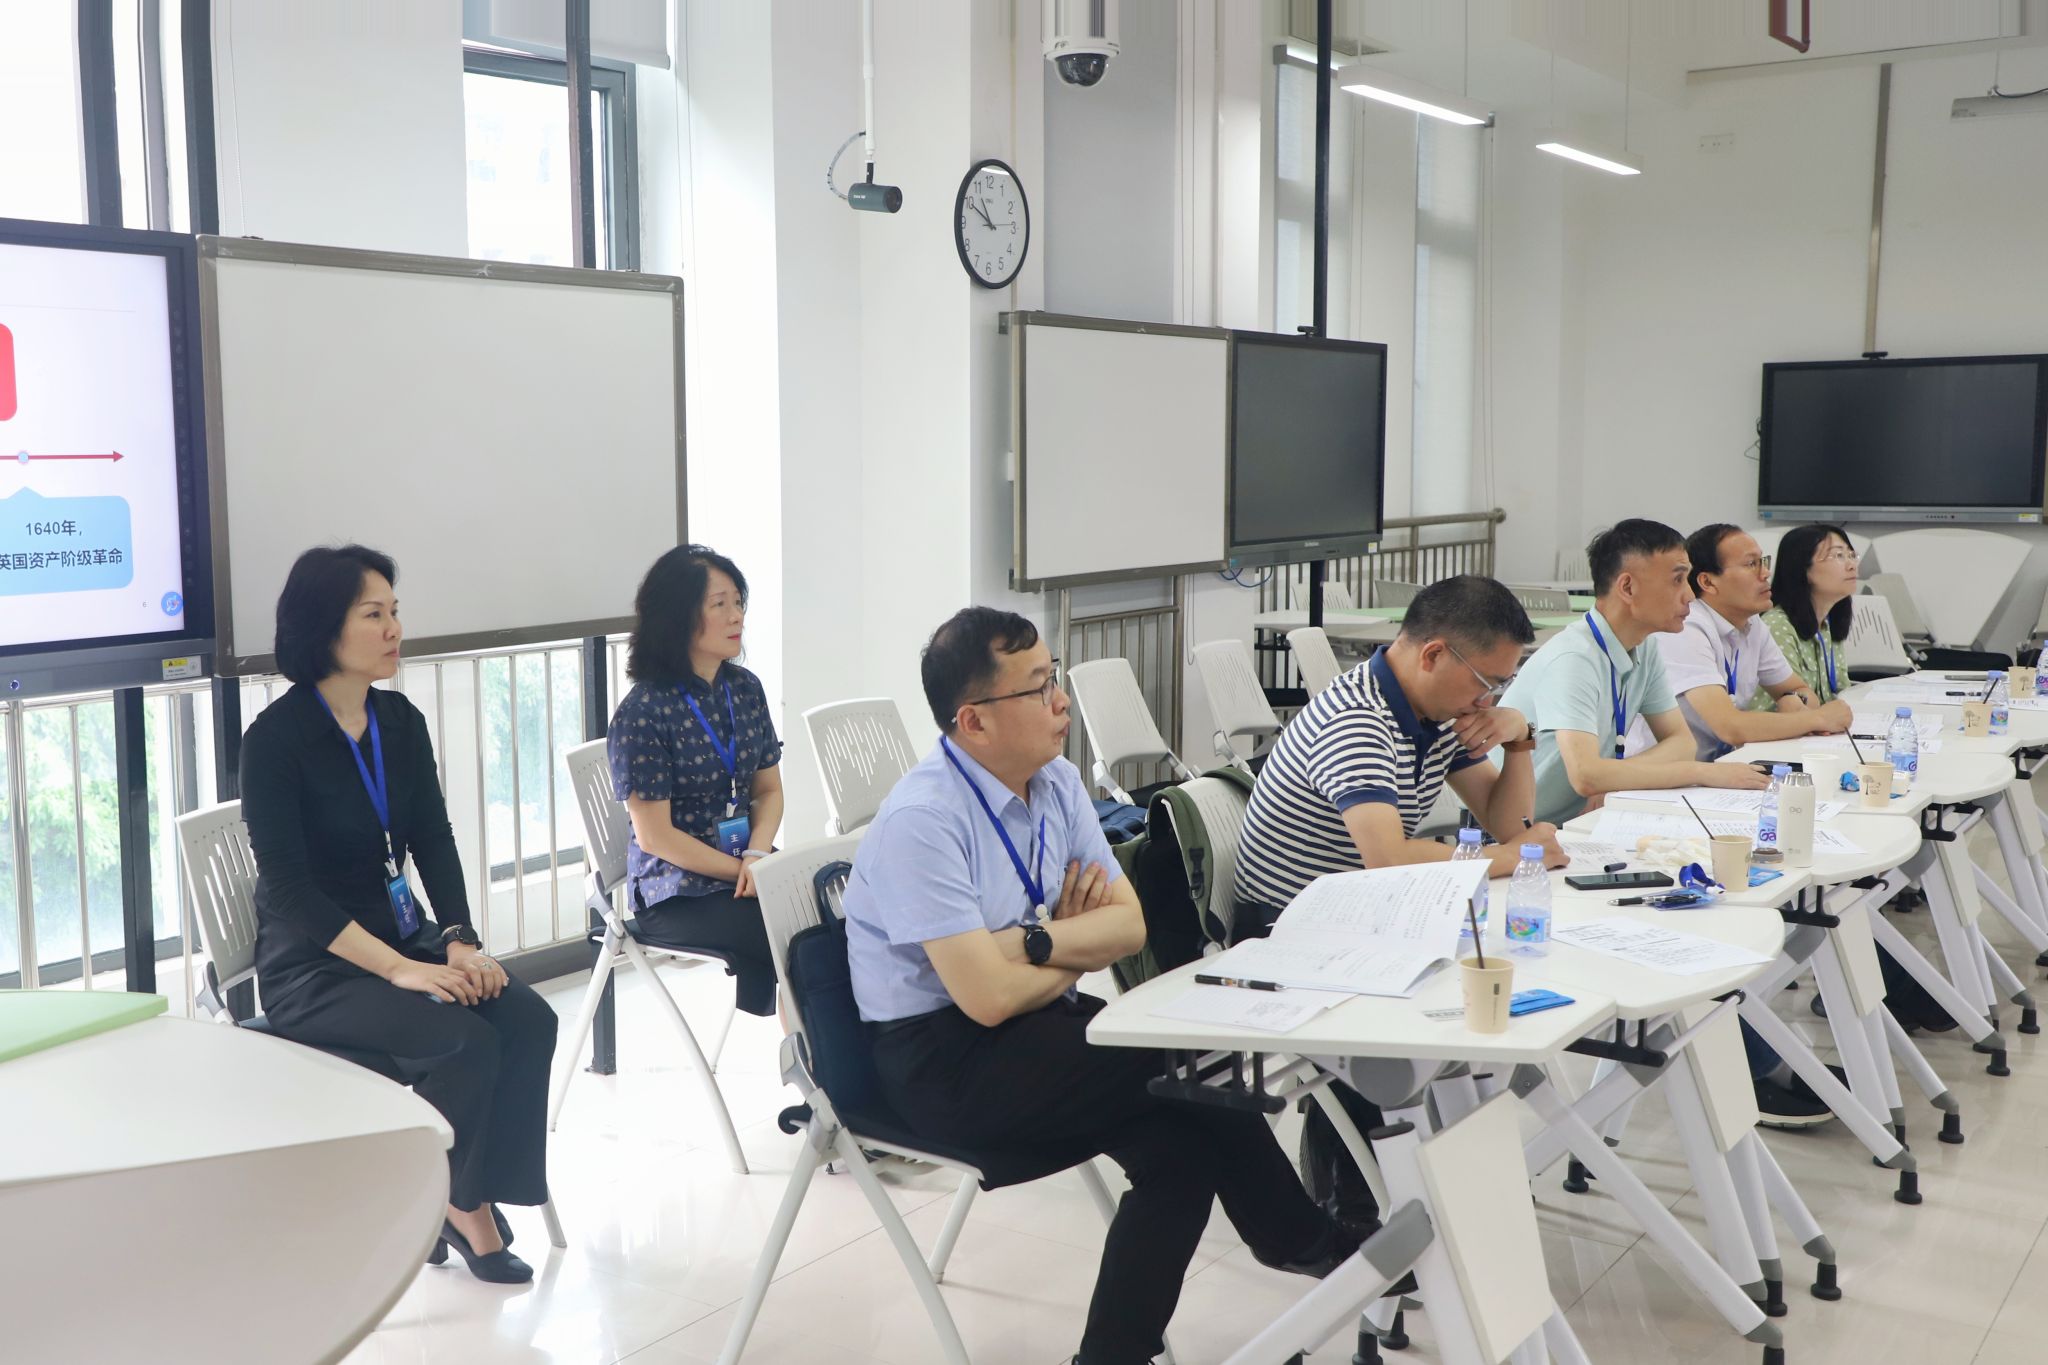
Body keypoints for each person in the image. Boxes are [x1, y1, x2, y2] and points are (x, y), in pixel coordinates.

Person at [843, 608, 1357, 1365]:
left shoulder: (1053, 781)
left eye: (1053, 678)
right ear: (974, 720)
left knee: (1180, 1151)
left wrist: (1034, 943)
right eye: (1038, 688)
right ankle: (1306, 1239)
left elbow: (1129, 927)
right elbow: (984, 998)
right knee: (1187, 1061)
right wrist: (1070, 948)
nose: (1062, 701)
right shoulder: (924, 820)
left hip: (1035, 1026)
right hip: (942, 1060)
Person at [241, 545, 557, 1284]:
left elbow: (433, 839)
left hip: (405, 945)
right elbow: (289, 890)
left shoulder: (398, 721)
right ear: (325, 629)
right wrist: (400, 970)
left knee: (526, 1018)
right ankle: (459, 1207)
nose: (394, 629)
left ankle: (459, 1190)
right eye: (373, 614)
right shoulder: (276, 740)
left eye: (394, 612)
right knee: (465, 1042)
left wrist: (459, 942)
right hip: (314, 969)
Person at [1234, 573, 1570, 1236]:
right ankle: (1354, 1212)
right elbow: (1388, 856)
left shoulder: (1431, 712)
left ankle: (1451, 1180)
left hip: (1372, 909)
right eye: (1487, 682)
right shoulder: (1357, 720)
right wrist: (1514, 858)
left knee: (1494, 983)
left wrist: (1520, 739)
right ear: (1434, 654)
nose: (1488, 699)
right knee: (1440, 1010)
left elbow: (1506, 822)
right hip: (1295, 925)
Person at [608, 545, 785, 1018]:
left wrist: (758, 855)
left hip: (746, 867)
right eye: (719, 604)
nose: (737, 616)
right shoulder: (644, 712)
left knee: (830, 904)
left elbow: (769, 791)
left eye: (738, 602)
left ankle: (816, 1044)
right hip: (675, 891)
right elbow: (655, 837)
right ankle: (813, 1050)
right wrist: (743, 870)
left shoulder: (745, 689)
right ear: (678, 618)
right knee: (789, 927)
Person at [1500, 518, 1771, 826]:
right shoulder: (1574, 659)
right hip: (1517, 830)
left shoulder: (1645, 646)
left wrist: (1614, 778)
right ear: (1627, 587)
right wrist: (1702, 771)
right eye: (1677, 580)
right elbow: (1586, 775)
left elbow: (1682, 743)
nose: (1690, 595)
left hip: (1582, 820)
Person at [1663, 524, 1852, 760]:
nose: (1765, 573)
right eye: (1751, 564)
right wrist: (1817, 718)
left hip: (1724, 763)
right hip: (1676, 770)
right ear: (1708, 582)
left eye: (1763, 562)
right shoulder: (1687, 627)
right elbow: (1730, 727)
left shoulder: (1752, 624)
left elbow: (1800, 689)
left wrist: (1794, 699)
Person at [1749, 524, 1859, 710]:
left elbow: (1840, 691)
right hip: (1781, 726)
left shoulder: (1826, 624)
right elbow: (1791, 705)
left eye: (1852, 555)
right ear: (1802, 567)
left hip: (1821, 724)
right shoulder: (1777, 626)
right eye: (1838, 556)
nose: (1852, 565)